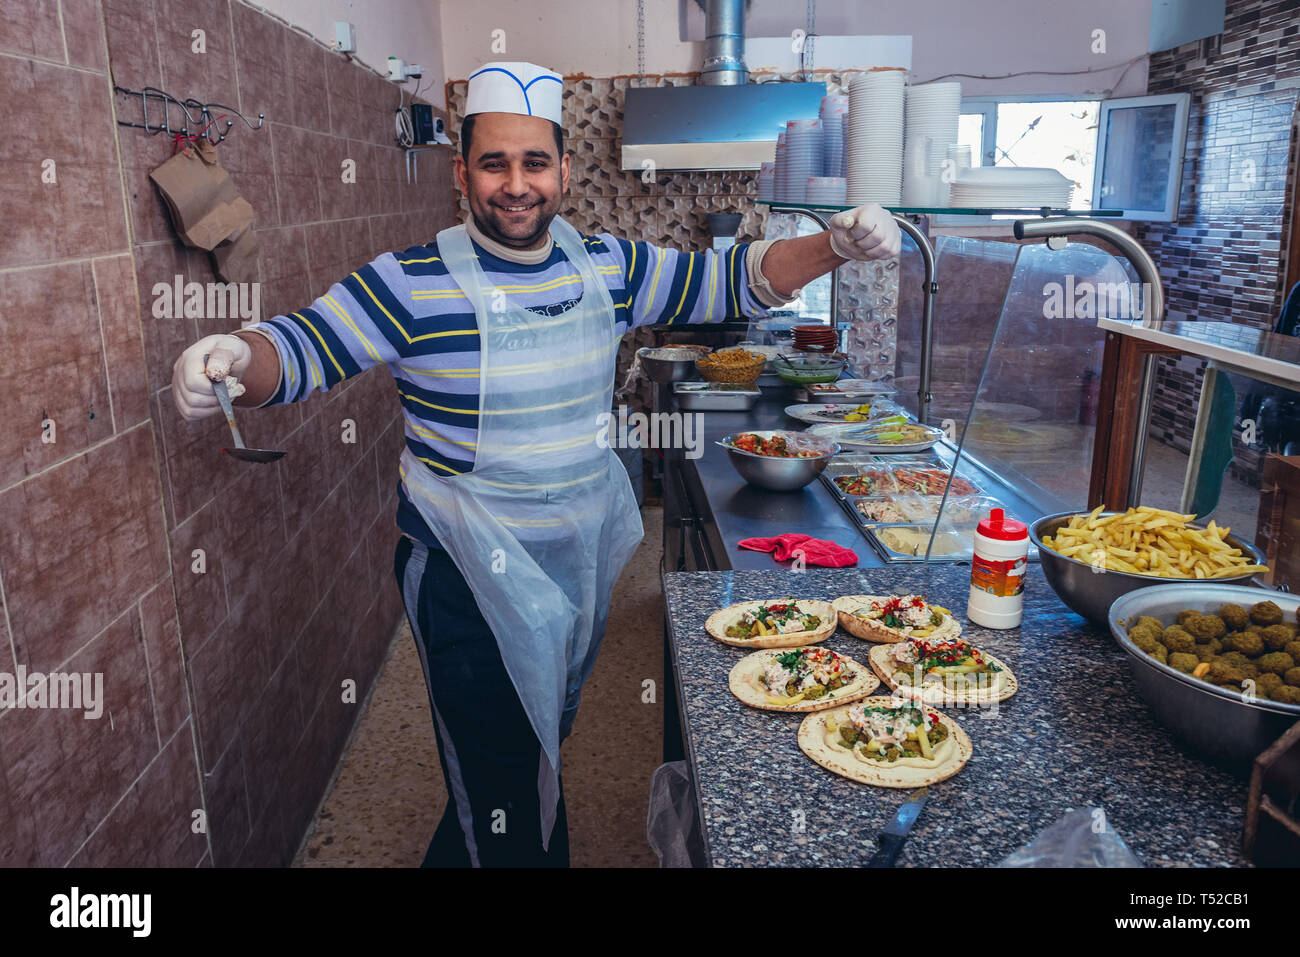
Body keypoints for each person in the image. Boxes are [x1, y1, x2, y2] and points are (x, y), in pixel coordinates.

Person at [172, 61, 901, 867]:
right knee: (509, 791)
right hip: (463, 572)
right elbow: (305, 347)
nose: (515, 185)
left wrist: (832, 246)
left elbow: (732, 279)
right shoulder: (410, 282)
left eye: (534, 162)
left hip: (573, 563)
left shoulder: (607, 267)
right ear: (462, 172)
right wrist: (237, 353)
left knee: (527, 751)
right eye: (494, 163)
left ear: (563, 168)